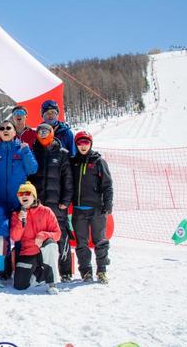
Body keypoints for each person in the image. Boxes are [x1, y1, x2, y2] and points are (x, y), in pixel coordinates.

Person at [29, 123, 73, 282]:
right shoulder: (33, 152)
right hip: (39, 204)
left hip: (57, 204)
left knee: (61, 236)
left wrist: (65, 201)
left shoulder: (62, 153)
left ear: (52, 133)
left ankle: (65, 271)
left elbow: (68, 180)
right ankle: (41, 270)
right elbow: (29, 178)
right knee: (39, 237)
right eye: (40, 131)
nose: (42, 134)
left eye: (45, 131)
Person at [70, 131, 113, 284]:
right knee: (81, 243)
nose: (83, 146)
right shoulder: (73, 162)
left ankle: (101, 271)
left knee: (99, 241)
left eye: (86, 143)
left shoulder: (98, 161)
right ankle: (86, 272)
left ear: (90, 144)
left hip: (96, 209)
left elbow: (107, 185)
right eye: (80, 143)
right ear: (76, 144)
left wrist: (108, 204)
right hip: (78, 210)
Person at [10, 181, 61, 294]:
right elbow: (15, 237)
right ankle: (40, 275)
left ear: (34, 196)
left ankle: (52, 283)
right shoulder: (16, 214)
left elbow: (57, 234)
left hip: (44, 250)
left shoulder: (46, 211)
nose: (23, 196)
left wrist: (43, 235)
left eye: (27, 193)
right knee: (19, 285)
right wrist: (20, 221)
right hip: (28, 252)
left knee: (51, 245)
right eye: (20, 194)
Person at [0, 119, 38, 217]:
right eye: (2, 128)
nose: (5, 130)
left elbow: (32, 170)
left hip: (19, 201)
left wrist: (26, 151)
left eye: (8, 128)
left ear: (14, 132)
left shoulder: (23, 150)